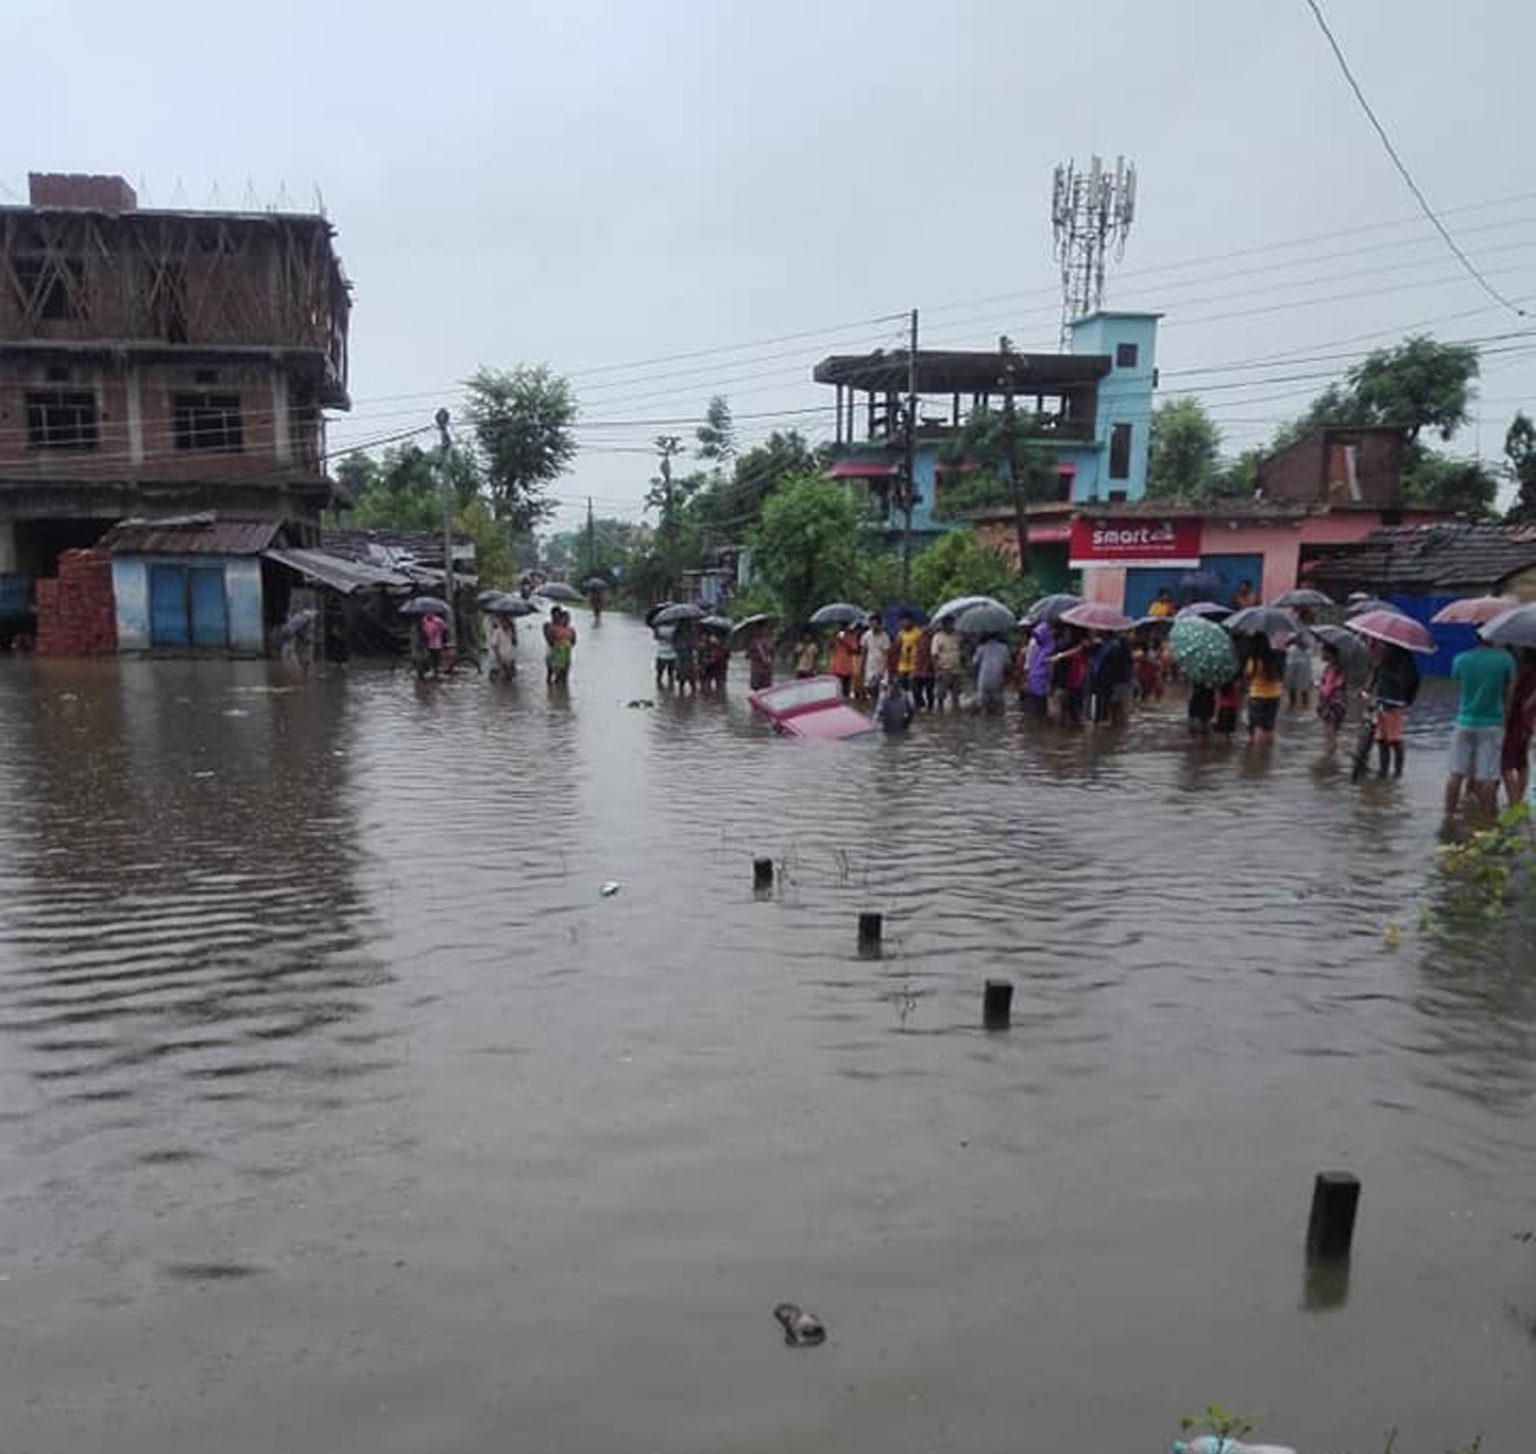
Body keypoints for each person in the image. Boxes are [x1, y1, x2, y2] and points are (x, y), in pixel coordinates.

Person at [1445, 633, 1515, 818]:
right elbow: (1509, 693)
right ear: (1494, 637)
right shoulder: (1505, 659)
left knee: (1456, 773)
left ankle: (1448, 816)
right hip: (1492, 723)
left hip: (1464, 722)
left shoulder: (1461, 659)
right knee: (1487, 777)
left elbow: (1458, 681)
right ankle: (1487, 821)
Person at [1367, 641, 1420, 779]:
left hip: (1393, 701)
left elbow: (1413, 679)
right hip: (1382, 700)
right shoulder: (1383, 655)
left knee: (1394, 739)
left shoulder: (1403, 656)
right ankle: (1384, 770)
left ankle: (1397, 772)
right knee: (1382, 738)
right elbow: (1375, 674)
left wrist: (1407, 698)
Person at [1502, 647, 1536, 808]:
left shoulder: (1525, 671)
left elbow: (1514, 696)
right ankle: (1519, 801)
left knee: (1506, 765)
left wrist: (1527, 704)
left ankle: (1514, 804)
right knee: (1522, 762)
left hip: (1517, 720)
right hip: (1527, 722)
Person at [1245, 638, 1284, 745]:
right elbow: (1281, 676)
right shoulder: (1276, 659)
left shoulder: (1254, 660)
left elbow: (1248, 674)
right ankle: (1267, 755)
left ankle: (1257, 756)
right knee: (1269, 727)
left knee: (1258, 727)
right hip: (1274, 695)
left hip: (1257, 695)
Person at [1315, 642, 1347, 754]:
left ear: (1329, 653)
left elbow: (1329, 689)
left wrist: (1319, 687)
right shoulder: (1338, 667)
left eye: (1322, 651)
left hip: (1332, 704)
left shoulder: (1332, 669)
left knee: (1330, 733)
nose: (1320, 653)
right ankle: (1331, 757)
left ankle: (1329, 759)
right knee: (1333, 732)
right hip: (1339, 704)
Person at [1020, 619, 1053, 717]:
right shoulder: (1037, 647)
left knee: (1040, 713)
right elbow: (1029, 664)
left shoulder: (1050, 647)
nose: (1037, 638)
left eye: (1039, 635)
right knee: (1032, 713)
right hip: (1032, 684)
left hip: (1042, 685)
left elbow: (1050, 666)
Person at [930, 615, 963, 711]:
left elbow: (962, 648)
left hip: (956, 670)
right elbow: (934, 655)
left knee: (956, 695)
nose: (950, 625)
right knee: (941, 695)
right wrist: (937, 671)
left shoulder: (958, 635)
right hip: (943, 669)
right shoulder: (937, 637)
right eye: (948, 623)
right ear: (943, 625)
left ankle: (956, 712)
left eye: (952, 623)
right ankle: (940, 713)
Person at [972, 633, 1010, 714]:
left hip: (983, 680)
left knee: (983, 708)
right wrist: (1006, 679)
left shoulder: (981, 648)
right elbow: (1008, 665)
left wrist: (974, 680)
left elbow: (975, 664)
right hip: (998, 679)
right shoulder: (1004, 648)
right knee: (999, 709)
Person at [861, 615, 890, 702]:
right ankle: (874, 702)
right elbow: (864, 651)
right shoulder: (866, 635)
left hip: (881, 665)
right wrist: (861, 665)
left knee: (879, 687)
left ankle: (877, 705)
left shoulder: (885, 636)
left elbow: (887, 654)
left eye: (875, 623)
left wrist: (885, 667)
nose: (873, 626)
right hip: (869, 665)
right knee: (869, 687)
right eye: (871, 623)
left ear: (879, 624)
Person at [545, 607, 577, 687]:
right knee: (552, 673)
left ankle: (561, 694)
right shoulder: (551, 627)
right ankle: (552, 694)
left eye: (568, 618)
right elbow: (549, 641)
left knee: (564, 675)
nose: (566, 620)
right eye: (565, 618)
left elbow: (573, 642)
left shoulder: (571, 630)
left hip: (566, 653)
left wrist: (566, 644)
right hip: (555, 652)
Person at [829, 625, 860, 698]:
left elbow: (854, 651)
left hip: (847, 668)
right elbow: (830, 646)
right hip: (837, 668)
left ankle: (846, 705)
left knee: (846, 691)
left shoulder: (851, 636)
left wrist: (844, 642)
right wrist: (834, 636)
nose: (842, 629)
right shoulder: (835, 636)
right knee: (836, 690)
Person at [1284, 635, 1314, 711]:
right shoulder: (1306, 650)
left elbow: (1289, 663)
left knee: (1295, 688)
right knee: (1302, 688)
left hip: (1298, 671)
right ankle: (1303, 704)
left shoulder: (1292, 649)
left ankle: (1295, 704)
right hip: (1302, 671)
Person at [1214, 672, 1241, 740]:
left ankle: (1223, 748)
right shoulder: (1236, 685)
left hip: (1223, 710)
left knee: (1220, 734)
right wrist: (1237, 712)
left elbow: (1218, 702)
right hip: (1232, 710)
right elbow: (1237, 700)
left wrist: (1215, 716)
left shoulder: (1220, 686)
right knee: (1228, 734)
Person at [420, 609, 446, 678]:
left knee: (436, 656)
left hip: (437, 642)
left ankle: (436, 670)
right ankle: (431, 669)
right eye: (427, 613)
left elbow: (443, 629)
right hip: (428, 642)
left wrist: (438, 631)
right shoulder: (424, 620)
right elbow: (424, 630)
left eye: (430, 613)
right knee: (429, 656)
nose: (429, 614)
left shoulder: (438, 621)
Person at [674, 621, 699, 694]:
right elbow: (695, 645)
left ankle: (682, 696)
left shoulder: (677, 632)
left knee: (684, 678)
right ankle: (692, 696)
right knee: (689, 678)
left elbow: (674, 644)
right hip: (686, 657)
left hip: (684, 657)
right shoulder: (691, 632)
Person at [747, 626, 775, 691]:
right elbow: (773, 655)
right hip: (766, 669)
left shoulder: (753, 641)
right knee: (766, 689)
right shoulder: (769, 641)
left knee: (757, 689)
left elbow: (748, 655)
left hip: (757, 669)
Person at [654, 622, 676, 690]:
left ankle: (660, 690)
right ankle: (671, 690)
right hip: (672, 654)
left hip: (661, 654)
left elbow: (655, 637)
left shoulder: (658, 628)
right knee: (671, 674)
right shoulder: (675, 628)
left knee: (659, 675)